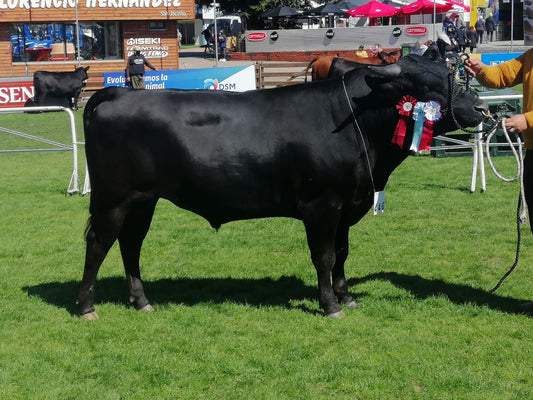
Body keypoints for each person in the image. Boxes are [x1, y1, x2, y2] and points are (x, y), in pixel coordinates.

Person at [465, 50, 533, 310]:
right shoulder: (530, 57)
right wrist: (481, 68)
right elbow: (502, 74)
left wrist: (527, 119)